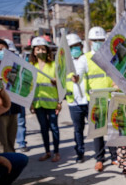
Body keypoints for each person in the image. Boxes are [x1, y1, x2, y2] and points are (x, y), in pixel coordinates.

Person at [85, 26, 117, 171]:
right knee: (98, 131)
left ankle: (115, 156)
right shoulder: (85, 58)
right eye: (95, 40)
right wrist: (88, 97)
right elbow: (84, 80)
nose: (98, 42)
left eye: (101, 40)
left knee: (112, 129)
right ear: (90, 41)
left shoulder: (110, 56)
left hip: (111, 96)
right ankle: (99, 159)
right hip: (95, 98)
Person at [29, 36, 61, 162]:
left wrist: (59, 102)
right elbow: (29, 86)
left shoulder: (54, 65)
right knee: (43, 128)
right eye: (37, 49)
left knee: (54, 128)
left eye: (43, 49)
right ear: (33, 52)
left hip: (52, 103)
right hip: (38, 103)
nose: (40, 51)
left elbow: (61, 85)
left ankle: (56, 152)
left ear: (47, 51)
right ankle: (47, 152)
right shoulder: (31, 66)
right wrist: (31, 103)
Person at [66, 33, 89, 163]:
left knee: (95, 129)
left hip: (88, 99)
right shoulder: (65, 64)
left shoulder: (86, 59)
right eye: (71, 47)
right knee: (78, 130)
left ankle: (100, 155)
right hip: (74, 102)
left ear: (81, 46)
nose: (75, 49)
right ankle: (80, 153)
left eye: (76, 46)